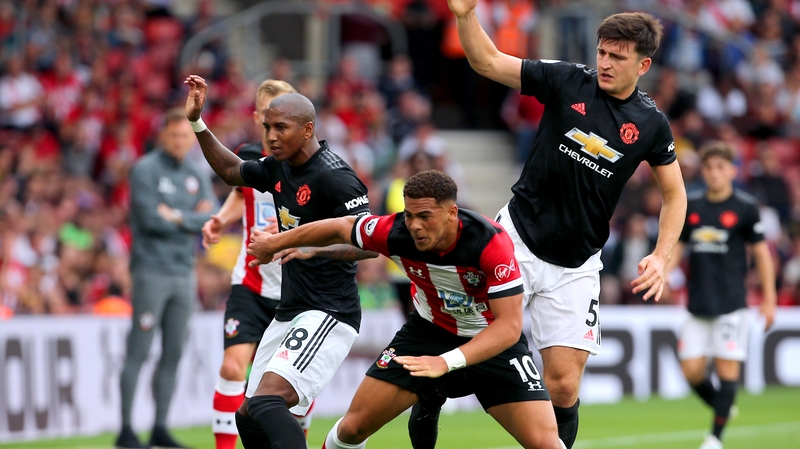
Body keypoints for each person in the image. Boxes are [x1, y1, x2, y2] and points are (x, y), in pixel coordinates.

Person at [432, 3, 688, 448]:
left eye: (618, 56)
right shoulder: (567, 79)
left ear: (644, 65)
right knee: (464, 358)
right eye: (602, 52)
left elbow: (675, 195)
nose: (605, 63)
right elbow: (487, 61)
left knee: (565, 385)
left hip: (576, 264)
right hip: (515, 242)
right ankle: (429, 396)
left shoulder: (650, 124)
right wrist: (465, 16)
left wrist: (663, 255)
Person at [247, 169, 566, 449]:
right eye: (409, 214)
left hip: (492, 340)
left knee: (545, 443)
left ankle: (432, 395)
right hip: (427, 333)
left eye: (425, 216)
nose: (414, 225)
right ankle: (429, 398)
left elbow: (510, 327)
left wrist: (445, 362)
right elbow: (343, 226)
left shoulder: (490, 244)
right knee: (352, 428)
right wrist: (278, 242)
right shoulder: (394, 232)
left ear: (452, 213)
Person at [183, 75, 376, 449]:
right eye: (267, 127)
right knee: (249, 413)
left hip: (329, 311)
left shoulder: (336, 177)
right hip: (289, 311)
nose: (270, 136)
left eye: (281, 128)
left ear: (307, 130)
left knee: (269, 402)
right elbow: (230, 171)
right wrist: (197, 122)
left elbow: (369, 245)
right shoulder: (277, 166)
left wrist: (309, 249)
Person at [201, 79, 315, 449]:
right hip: (250, 283)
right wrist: (221, 218)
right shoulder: (249, 158)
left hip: (295, 290)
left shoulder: (308, 164)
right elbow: (240, 192)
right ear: (257, 117)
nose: (274, 125)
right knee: (233, 368)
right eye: (268, 117)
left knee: (292, 383)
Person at [116, 108, 217, 449]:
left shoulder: (195, 171)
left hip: (184, 272)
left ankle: (160, 426)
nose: (180, 142)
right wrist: (190, 216)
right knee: (139, 350)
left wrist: (174, 215)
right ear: (163, 136)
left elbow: (211, 217)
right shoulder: (145, 170)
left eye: (185, 136)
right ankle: (126, 429)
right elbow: (148, 219)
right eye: (174, 136)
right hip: (151, 271)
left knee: (173, 352)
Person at [669, 141, 776, 449]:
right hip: (698, 303)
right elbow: (679, 246)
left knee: (727, 368)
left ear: (732, 170)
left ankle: (715, 437)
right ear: (703, 172)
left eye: (720, 167)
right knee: (691, 371)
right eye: (709, 168)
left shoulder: (745, 207)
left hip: (731, 304)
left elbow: (762, 255)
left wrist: (768, 299)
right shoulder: (693, 206)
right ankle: (723, 406)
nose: (714, 174)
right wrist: (663, 273)